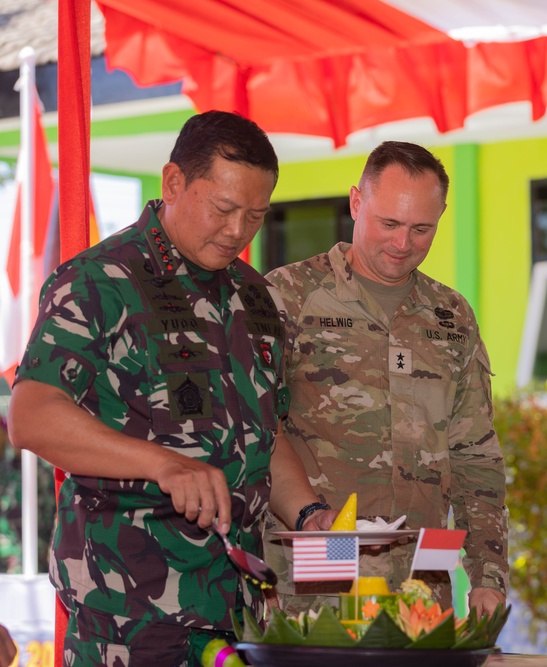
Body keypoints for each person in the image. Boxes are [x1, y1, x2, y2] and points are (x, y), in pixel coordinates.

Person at [7, 110, 335, 665]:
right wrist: (163, 464)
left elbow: (264, 432)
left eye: (256, 215)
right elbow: (32, 415)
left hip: (238, 612)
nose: (238, 231)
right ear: (173, 183)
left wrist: (308, 514)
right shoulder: (99, 281)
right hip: (130, 618)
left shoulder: (255, 297)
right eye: (224, 209)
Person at [263, 140, 508, 617]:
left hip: (424, 574)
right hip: (321, 566)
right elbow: (254, 431)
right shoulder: (288, 296)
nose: (402, 244)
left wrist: (488, 576)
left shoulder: (451, 315)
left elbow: (475, 455)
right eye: (389, 224)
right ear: (357, 202)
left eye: (422, 229)